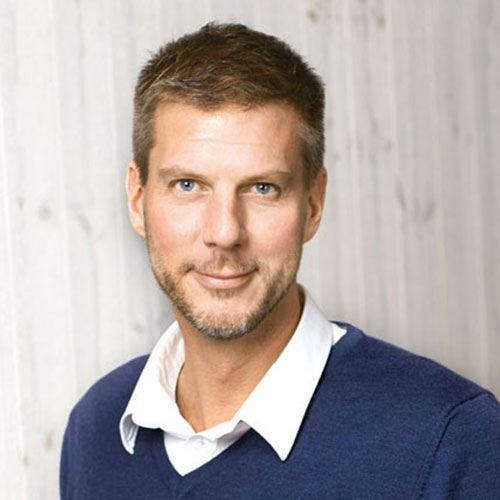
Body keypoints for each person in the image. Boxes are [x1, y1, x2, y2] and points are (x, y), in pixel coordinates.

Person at [60, 23, 500, 499]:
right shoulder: (95, 432)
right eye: (188, 185)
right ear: (137, 198)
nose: (225, 233)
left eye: (262, 188)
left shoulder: (447, 437)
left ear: (313, 204)